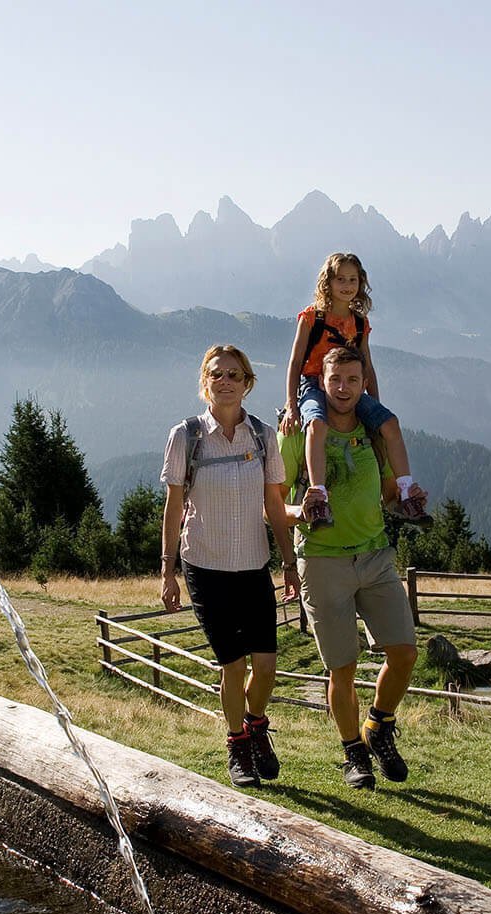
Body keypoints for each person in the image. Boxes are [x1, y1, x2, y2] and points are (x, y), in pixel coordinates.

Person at [281, 346, 426, 790]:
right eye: (335, 380)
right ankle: (352, 753)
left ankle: (378, 725)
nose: (343, 389)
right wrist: (299, 512)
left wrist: (404, 497)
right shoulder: (299, 432)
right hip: (323, 561)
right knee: (342, 666)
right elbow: (273, 504)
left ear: (365, 384)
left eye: (352, 381)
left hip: (376, 554)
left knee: (404, 653)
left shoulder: (374, 431)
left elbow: (385, 493)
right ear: (321, 383)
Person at [161, 345, 297, 788]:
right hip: (206, 567)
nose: (226, 381)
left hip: (254, 566)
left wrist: (289, 562)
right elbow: (173, 506)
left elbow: (274, 503)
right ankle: (238, 743)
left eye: (234, 375)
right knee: (233, 666)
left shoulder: (261, 436)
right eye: (217, 374)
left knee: (268, 665)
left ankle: (256, 723)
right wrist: (168, 572)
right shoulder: (186, 436)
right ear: (206, 381)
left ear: (247, 382)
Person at [279, 252, 430, 529]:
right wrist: (291, 404)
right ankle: (319, 495)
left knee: (390, 423)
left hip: (351, 383)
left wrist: (375, 405)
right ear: (328, 282)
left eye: (353, 279)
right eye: (340, 279)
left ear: (360, 284)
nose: (347, 285)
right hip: (313, 382)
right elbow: (296, 362)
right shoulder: (311, 317)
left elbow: (367, 366)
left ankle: (407, 491)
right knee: (316, 425)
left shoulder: (359, 323)